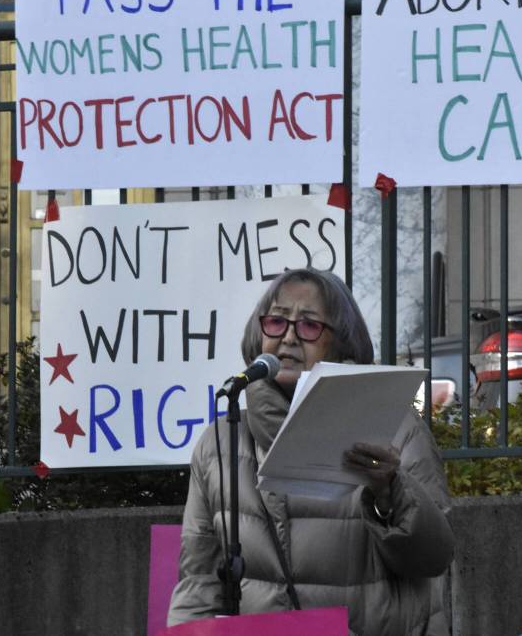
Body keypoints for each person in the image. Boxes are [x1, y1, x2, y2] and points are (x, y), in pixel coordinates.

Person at [168, 268, 454, 635]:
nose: (287, 338)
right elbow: (199, 581)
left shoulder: (396, 428)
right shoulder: (219, 443)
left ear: (340, 342)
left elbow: (433, 558)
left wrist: (389, 491)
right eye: (276, 321)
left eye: (308, 326)